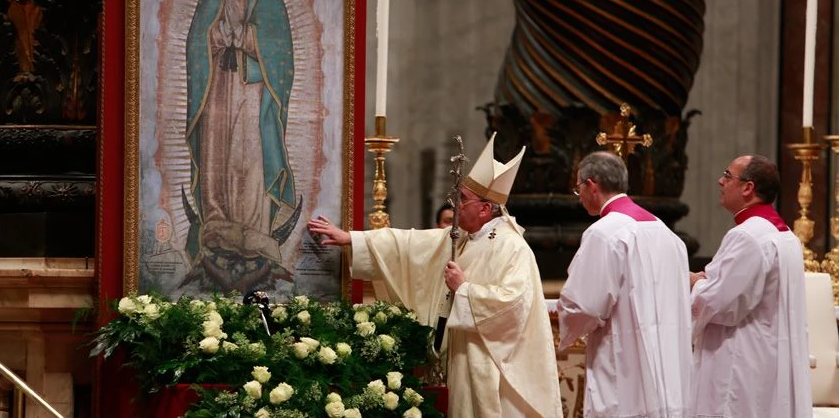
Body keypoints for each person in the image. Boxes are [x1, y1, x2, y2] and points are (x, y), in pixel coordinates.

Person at [307, 133, 562, 417]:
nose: (455, 204)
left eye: (462, 199)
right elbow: (411, 245)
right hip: (465, 358)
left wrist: (464, 290)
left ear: (485, 208)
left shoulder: (513, 247)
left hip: (492, 366)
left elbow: (513, 306)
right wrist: (352, 239)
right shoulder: (466, 237)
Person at [182, 0, 299, 290]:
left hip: (251, 92)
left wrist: (248, 38)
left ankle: (252, 230)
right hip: (218, 89)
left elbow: (281, 53)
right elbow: (194, 46)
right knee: (217, 155)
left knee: (249, 157)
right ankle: (217, 226)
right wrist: (216, 36)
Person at [557, 151, 692, 417]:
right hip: (669, 366)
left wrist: (568, 320)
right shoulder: (668, 234)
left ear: (591, 185)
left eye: (578, 189)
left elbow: (584, 306)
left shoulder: (603, 233)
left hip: (623, 364)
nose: (580, 196)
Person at [689, 155, 811, 417]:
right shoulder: (784, 234)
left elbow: (721, 304)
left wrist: (694, 284)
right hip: (767, 354)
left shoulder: (747, 236)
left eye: (728, 176)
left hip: (739, 360)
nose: (720, 181)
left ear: (748, 188)